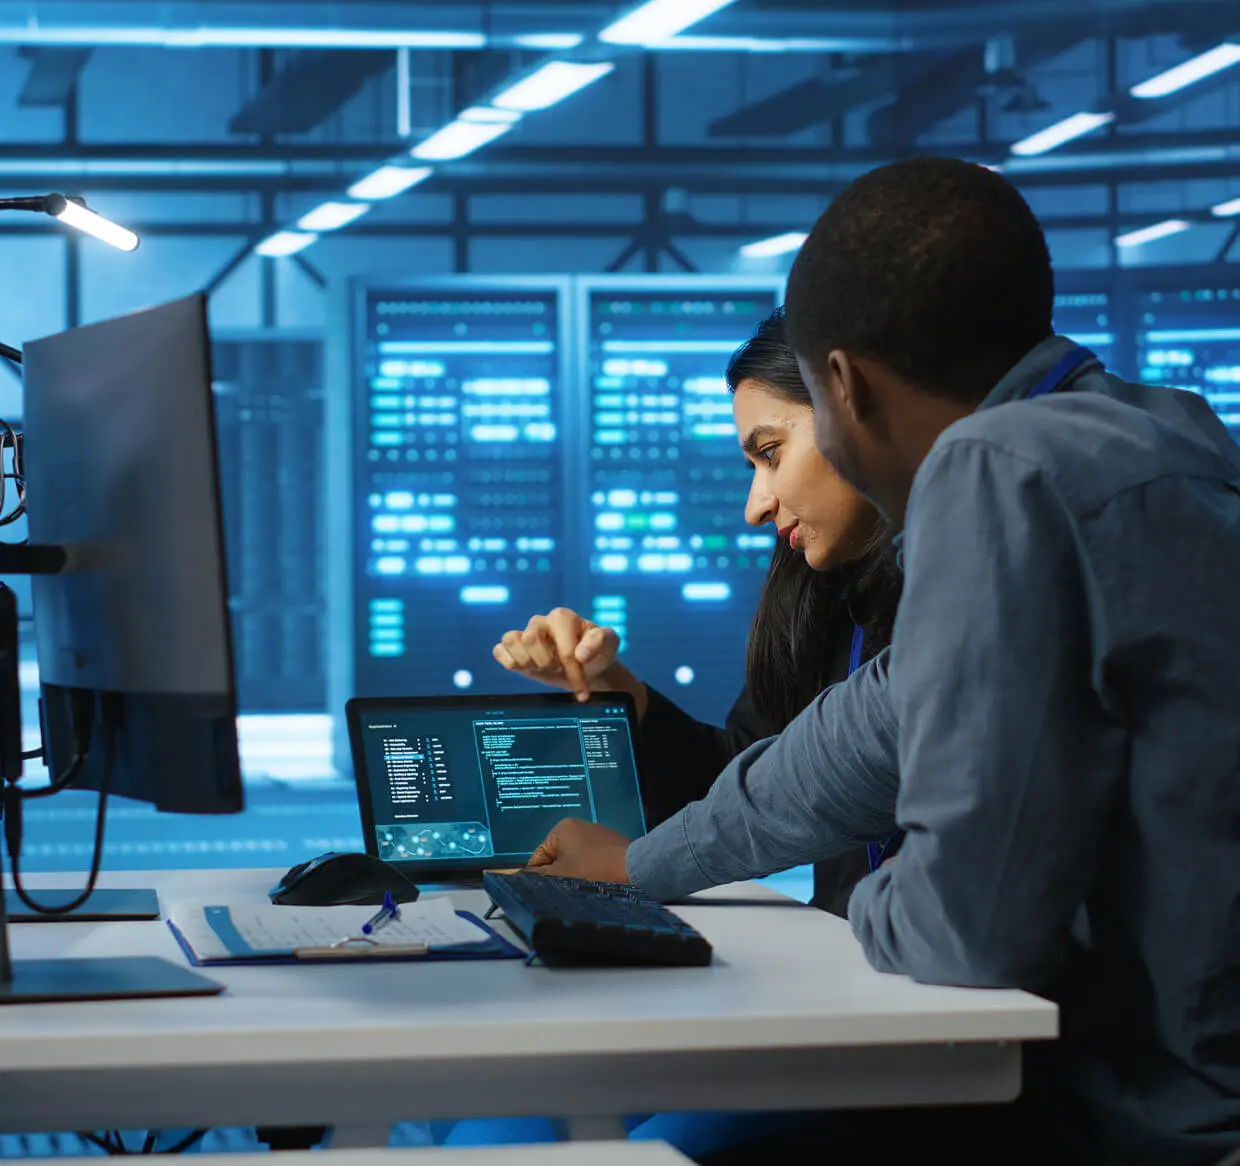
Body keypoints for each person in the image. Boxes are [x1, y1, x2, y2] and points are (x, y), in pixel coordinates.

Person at [523, 157, 1240, 1166]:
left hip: (1130, 1125)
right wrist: (642, 865)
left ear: (845, 385)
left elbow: (967, 930)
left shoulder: (995, 468)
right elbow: (861, 730)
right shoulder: (1162, 433)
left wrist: (860, 899)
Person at [493, 308, 902, 916]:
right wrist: (617, 691)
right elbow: (746, 783)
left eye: (771, 452)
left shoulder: (967, 587)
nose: (756, 506)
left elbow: (808, 791)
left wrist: (632, 869)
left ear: (853, 406)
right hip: (857, 970)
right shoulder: (825, 589)